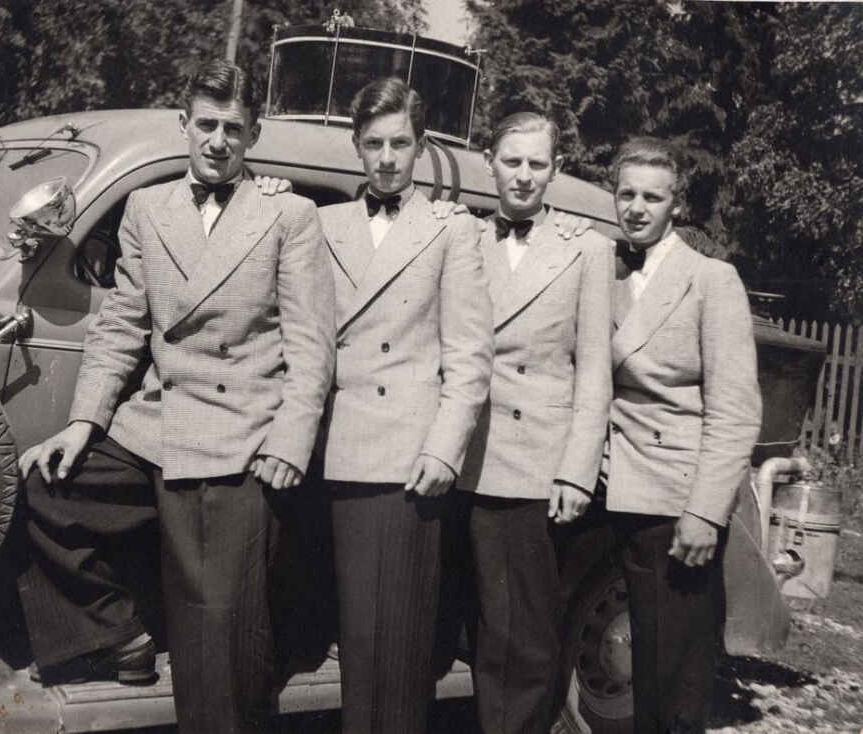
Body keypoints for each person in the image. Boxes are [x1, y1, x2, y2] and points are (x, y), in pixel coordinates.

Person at [16, 58, 336, 734]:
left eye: (233, 129)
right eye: (207, 125)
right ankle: (118, 637)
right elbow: (121, 328)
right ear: (184, 125)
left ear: (253, 135)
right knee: (46, 486)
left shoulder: (288, 215)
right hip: (154, 426)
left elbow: (312, 347)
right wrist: (82, 424)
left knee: (216, 635)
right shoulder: (145, 207)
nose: (218, 141)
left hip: (240, 434)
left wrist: (289, 440)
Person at [315, 76, 494, 734]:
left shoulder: (451, 230)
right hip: (334, 453)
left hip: (408, 462)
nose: (387, 158)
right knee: (350, 641)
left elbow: (470, 357)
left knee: (398, 645)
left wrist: (444, 451)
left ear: (420, 147)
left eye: (399, 143)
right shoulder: (322, 224)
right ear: (356, 147)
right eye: (374, 144)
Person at [456, 111, 613, 734]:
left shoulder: (586, 250)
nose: (523, 176)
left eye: (537, 164)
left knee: (522, 636)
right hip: (457, 458)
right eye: (511, 161)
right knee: (467, 626)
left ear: (556, 170)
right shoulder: (458, 235)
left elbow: (594, 370)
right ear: (488, 163)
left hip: (532, 465)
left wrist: (577, 470)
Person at [606, 137, 762, 733]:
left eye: (653, 197)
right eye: (626, 194)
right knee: (633, 666)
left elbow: (735, 411)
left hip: (674, 502)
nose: (637, 208)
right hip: (609, 488)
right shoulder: (606, 272)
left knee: (672, 676)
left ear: (676, 204)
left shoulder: (710, 280)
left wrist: (704, 513)